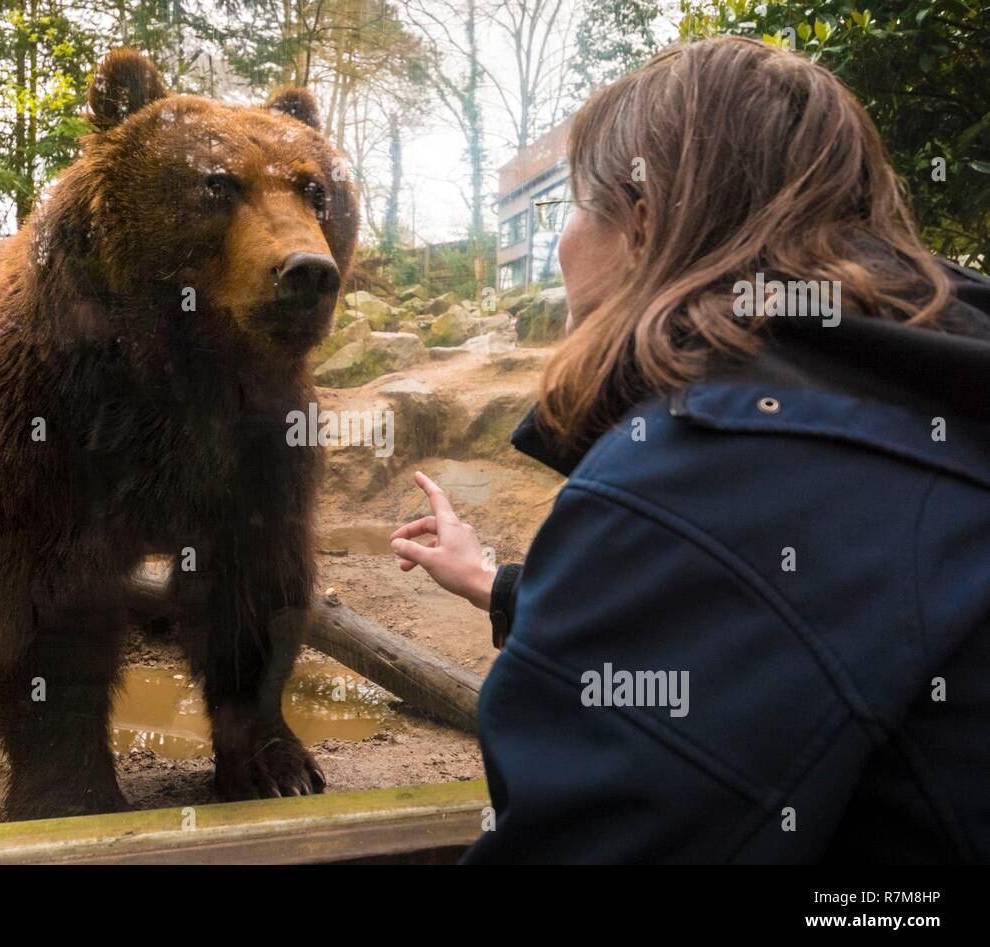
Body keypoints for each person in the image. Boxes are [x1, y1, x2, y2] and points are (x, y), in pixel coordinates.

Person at [389, 36, 990, 863]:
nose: (559, 243)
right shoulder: (917, 392)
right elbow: (802, 625)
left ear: (642, 218)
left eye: (571, 203)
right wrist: (496, 585)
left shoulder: (709, 465)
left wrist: (635, 514)